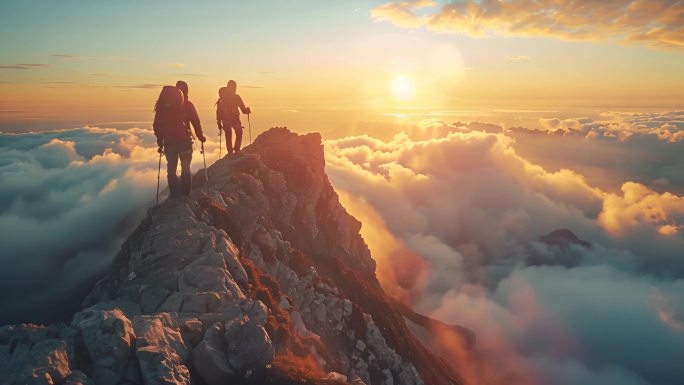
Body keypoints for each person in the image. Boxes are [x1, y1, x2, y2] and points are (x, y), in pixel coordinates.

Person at [153, 81, 205, 198]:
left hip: (169, 143)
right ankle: (185, 195)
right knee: (185, 168)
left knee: (171, 170)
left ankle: (174, 195)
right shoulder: (188, 105)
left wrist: (160, 140)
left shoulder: (163, 107)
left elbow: (156, 125)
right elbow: (196, 122)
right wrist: (200, 136)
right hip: (184, 142)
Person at [216, 80, 251, 155]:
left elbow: (218, 112)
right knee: (239, 133)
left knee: (228, 135)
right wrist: (248, 111)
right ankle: (237, 150)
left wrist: (219, 123)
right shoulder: (236, 97)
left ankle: (230, 153)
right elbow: (243, 110)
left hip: (225, 120)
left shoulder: (222, 99)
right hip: (235, 119)